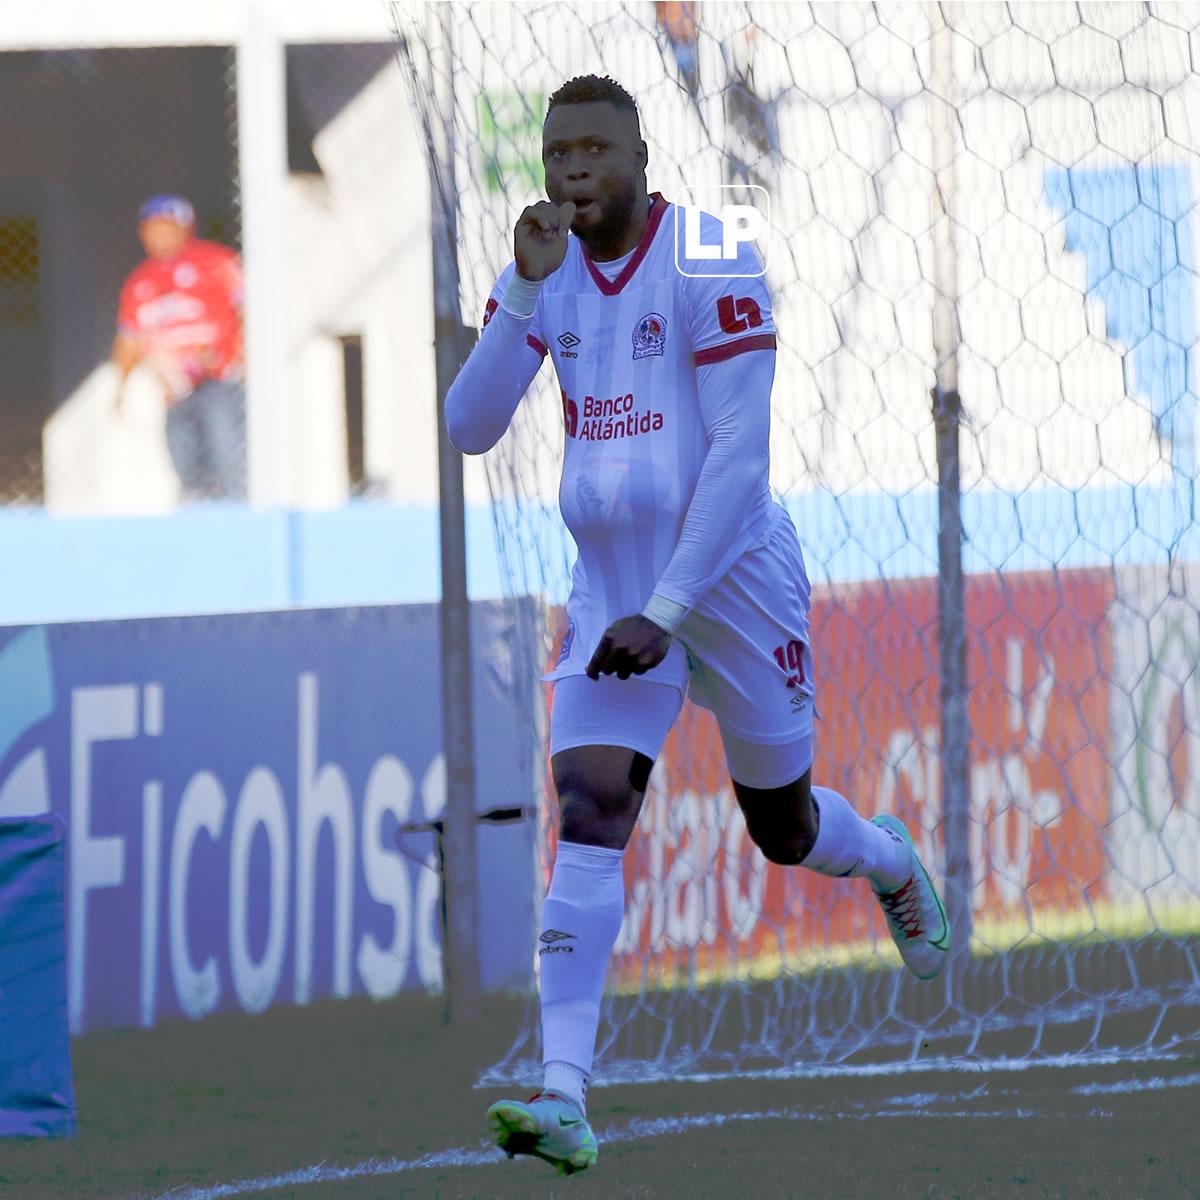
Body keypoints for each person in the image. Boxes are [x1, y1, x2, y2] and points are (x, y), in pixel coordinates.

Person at [446, 75, 950, 1176]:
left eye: (594, 149)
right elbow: (470, 426)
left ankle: (888, 862)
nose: (573, 169)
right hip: (609, 592)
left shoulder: (711, 255)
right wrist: (522, 295)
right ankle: (564, 1096)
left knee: (783, 829)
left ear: (638, 159)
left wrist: (668, 613)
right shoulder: (544, 270)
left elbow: (741, 458)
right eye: (557, 150)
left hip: (728, 579)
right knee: (587, 816)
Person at [111, 194, 246, 501]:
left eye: (166, 226)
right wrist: (121, 386)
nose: (157, 234)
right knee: (186, 467)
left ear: (186, 227)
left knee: (228, 457)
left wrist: (245, 354)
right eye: (150, 228)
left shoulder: (215, 261)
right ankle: (198, 529)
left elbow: (245, 308)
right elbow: (129, 338)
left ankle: (239, 526)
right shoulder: (139, 281)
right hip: (174, 390)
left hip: (219, 379)